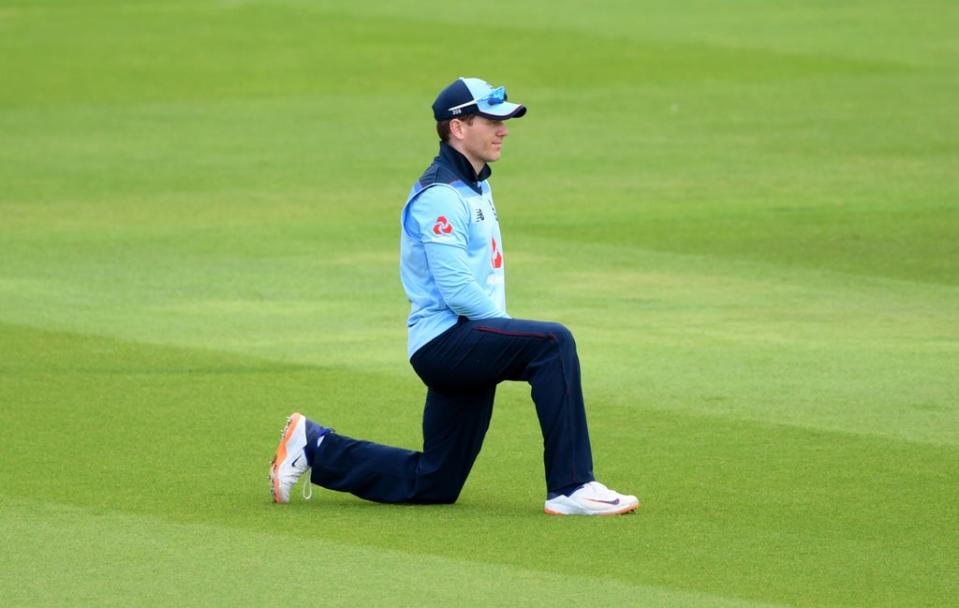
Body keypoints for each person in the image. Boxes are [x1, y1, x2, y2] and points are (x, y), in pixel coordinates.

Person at [269, 77, 638, 516]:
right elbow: (459, 292)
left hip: (464, 341)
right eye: (491, 120)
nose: (503, 129)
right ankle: (572, 486)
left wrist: (502, 337)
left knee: (435, 481)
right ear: (458, 128)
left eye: (504, 121)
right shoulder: (441, 195)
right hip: (446, 343)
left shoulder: (475, 184)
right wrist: (508, 334)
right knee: (553, 344)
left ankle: (316, 445)